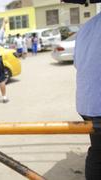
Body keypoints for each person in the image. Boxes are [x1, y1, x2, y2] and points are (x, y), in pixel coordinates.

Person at [74, 12, 101, 180]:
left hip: (87, 103)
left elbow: (77, 63)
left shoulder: (87, 26)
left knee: (98, 150)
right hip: (97, 103)